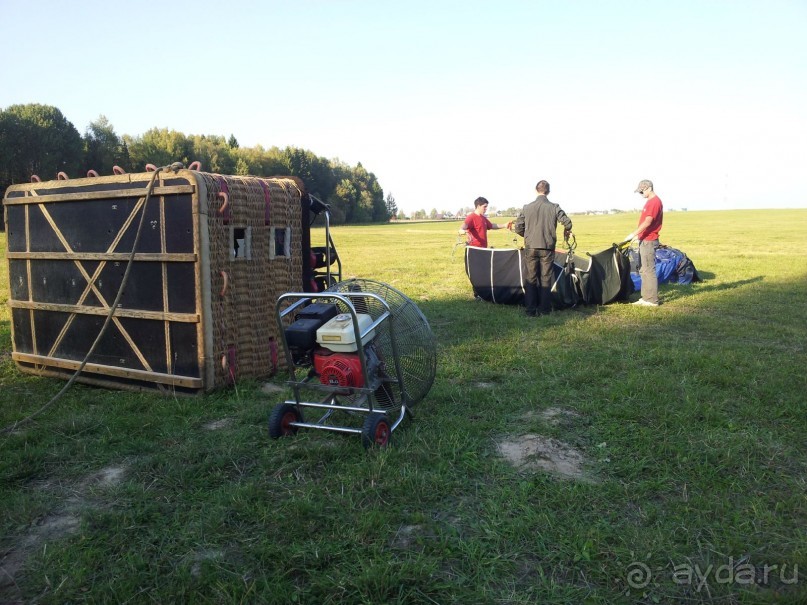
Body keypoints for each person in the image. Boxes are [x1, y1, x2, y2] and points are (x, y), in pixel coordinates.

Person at [513, 180, 573, 317]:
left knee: (531, 278)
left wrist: (527, 236)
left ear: (536, 190)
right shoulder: (554, 207)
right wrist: (567, 231)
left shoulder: (527, 207)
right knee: (546, 278)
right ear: (549, 191)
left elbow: (518, 227)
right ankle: (544, 310)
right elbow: (568, 223)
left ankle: (530, 310)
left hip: (531, 246)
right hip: (547, 247)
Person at [624, 179, 664, 307]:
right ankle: (645, 297)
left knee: (648, 270)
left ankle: (652, 300)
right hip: (644, 239)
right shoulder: (650, 202)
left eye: (641, 191)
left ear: (648, 188)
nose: (641, 194)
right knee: (642, 269)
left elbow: (648, 222)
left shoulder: (654, 202)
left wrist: (633, 234)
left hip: (649, 240)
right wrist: (638, 237)